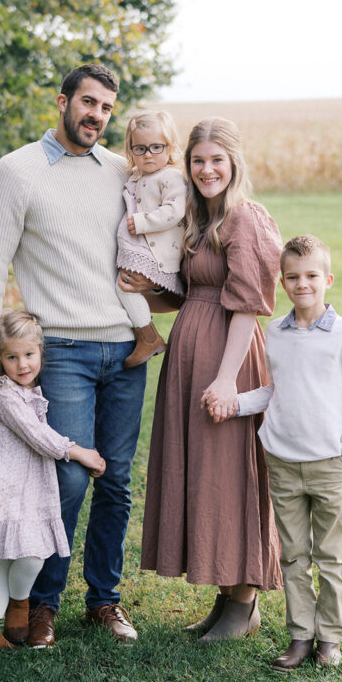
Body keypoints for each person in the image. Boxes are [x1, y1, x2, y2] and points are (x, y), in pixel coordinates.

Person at [0, 63, 147, 648]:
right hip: (59, 349)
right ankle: (40, 604)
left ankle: (105, 600)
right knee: (66, 480)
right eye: (87, 103)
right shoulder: (16, 172)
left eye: (106, 109)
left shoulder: (121, 171)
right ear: (62, 101)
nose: (96, 116)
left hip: (124, 349)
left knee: (115, 482)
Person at [130, 117, 283, 642]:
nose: (207, 169)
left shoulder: (246, 219)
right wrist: (140, 293)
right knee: (204, 473)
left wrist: (225, 383)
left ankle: (245, 599)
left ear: (234, 162)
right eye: (198, 160)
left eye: (217, 159)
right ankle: (227, 597)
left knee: (229, 472)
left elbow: (248, 306)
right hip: (190, 359)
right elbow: (185, 294)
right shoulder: (199, 220)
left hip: (229, 360)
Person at [206, 234, 342, 670]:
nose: (303, 284)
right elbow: (273, 391)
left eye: (312, 276)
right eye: (293, 277)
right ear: (282, 282)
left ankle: (330, 639)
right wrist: (236, 403)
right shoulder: (275, 334)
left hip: (329, 465)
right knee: (294, 556)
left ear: (328, 279)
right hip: (283, 462)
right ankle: (300, 636)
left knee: (331, 557)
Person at [0, 310, 106, 649]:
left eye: (29, 354)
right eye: (12, 357)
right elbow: (38, 435)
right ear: (0, 358)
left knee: (14, 557)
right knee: (27, 556)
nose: (22, 364)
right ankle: (14, 608)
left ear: (41, 351)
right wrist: (79, 451)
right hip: (11, 485)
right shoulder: (5, 392)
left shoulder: (28, 389)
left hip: (30, 484)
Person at [116, 110, 185, 368]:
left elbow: (175, 210)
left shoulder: (171, 177)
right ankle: (146, 334)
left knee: (123, 285)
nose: (148, 154)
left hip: (159, 252)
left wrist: (143, 222)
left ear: (170, 148)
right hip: (143, 246)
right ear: (130, 150)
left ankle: (148, 336)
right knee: (122, 284)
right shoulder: (137, 176)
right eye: (140, 148)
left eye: (156, 147)